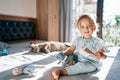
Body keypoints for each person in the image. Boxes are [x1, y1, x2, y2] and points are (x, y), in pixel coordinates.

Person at [52, 14, 109, 80]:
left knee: (84, 66)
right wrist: (64, 53)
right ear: (79, 29)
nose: (86, 28)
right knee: (70, 57)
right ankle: (70, 62)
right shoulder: (77, 39)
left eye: (89, 26)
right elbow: (71, 50)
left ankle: (61, 71)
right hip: (78, 58)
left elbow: (105, 57)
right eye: (82, 27)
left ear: (94, 27)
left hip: (91, 62)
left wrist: (100, 55)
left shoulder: (98, 41)